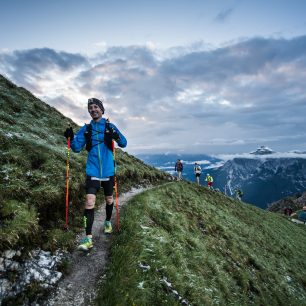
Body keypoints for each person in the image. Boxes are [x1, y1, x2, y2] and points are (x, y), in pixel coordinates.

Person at [64, 97, 127, 251]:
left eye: (95, 107)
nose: (93, 110)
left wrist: (115, 135)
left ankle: (107, 221)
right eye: (90, 108)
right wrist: (70, 138)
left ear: (101, 109)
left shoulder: (109, 126)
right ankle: (88, 239)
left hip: (108, 170)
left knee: (109, 198)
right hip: (92, 170)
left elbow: (123, 143)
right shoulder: (86, 129)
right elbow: (77, 148)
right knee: (90, 202)